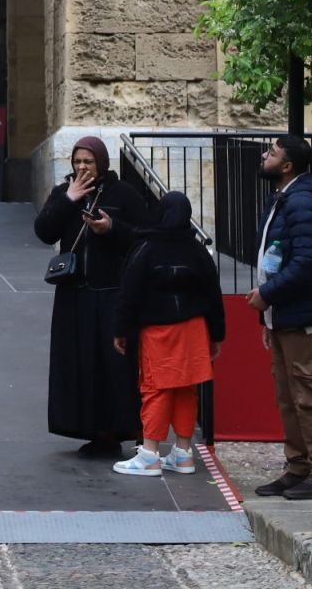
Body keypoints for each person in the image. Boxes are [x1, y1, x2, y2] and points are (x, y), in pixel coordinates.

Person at [33, 136, 149, 456]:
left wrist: (111, 228)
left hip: (110, 293)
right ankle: (90, 430)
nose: (82, 167)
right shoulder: (64, 191)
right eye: (77, 162)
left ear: (101, 162)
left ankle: (117, 431)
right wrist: (67, 199)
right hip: (73, 293)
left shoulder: (123, 193)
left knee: (110, 365)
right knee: (78, 363)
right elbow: (44, 231)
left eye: (88, 162)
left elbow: (142, 236)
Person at [245, 134, 312, 499]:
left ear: (287, 166)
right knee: (288, 395)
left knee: (310, 394)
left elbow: (308, 262)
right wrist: (267, 316)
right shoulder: (282, 201)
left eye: (271, 152)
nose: (264, 156)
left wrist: (267, 295)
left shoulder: (301, 203)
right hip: (284, 315)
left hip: (304, 316)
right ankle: (299, 468)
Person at [110, 191, 224, 477]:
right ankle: (183, 453)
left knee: (155, 387)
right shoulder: (198, 251)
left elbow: (129, 293)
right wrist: (217, 335)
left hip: (159, 330)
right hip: (194, 328)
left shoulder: (146, 247)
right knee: (186, 389)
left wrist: (121, 329)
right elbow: (213, 295)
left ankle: (150, 453)